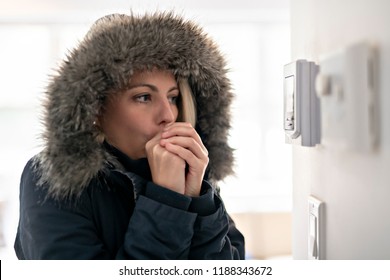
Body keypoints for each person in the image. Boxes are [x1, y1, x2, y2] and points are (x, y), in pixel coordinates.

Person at [14, 12, 245, 260]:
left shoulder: (188, 170)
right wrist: (167, 199)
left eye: (173, 97)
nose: (168, 115)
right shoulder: (52, 178)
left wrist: (198, 199)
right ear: (96, 108)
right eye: (143, 97)